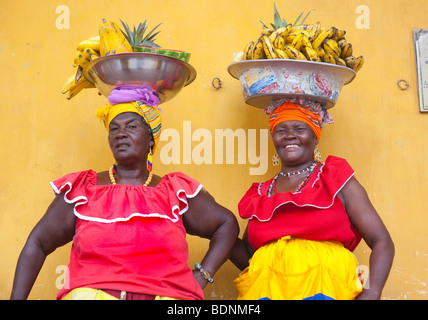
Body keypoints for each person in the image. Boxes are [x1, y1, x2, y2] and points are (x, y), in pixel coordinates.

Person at [10, 86, 239, 300]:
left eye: (131, 127)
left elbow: (227, 223)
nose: (120, 134)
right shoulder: (84, 188)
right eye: (114, 128)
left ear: (151, 138)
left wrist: (203, 274)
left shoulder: (173, 191)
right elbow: (38, 242)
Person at [230, 99, 394, 300]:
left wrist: (373, 291)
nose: (290, 135)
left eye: (299, 128)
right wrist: (220, 230)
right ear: (273, 138)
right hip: (266, 292)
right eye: (281, 130)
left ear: (315, 136)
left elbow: (381, 240)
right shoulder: (262, 193)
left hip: (328, 290)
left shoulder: (335, 178)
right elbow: (250, 257)